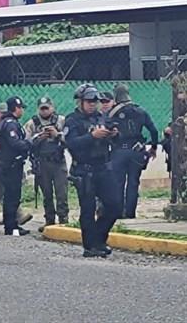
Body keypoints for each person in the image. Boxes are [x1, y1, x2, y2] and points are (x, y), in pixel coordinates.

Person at [64, 84, 122, 257]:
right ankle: (90, 246)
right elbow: (71, 143)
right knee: (88, 209)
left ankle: (99, 238)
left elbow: (115, 137)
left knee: (115, 205)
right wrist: (91, 136)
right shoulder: (72, 120)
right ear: (80, 102)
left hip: (103, 167)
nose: (92, 104)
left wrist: (113, 134)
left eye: (95, 101)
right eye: (89, 101)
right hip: (85, 169)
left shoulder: (101, 118)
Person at [109, 84, 159, 219]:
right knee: (133, 183)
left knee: (118, 183)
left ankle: (118, 214)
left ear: (116, 96)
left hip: (119, 152)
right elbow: (153, 131)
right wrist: (153, 147)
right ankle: (130, 214)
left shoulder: (113, 113)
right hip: (137, 151)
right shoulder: (140, 111)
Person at [23, 97, 69, 232]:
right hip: (42, 163)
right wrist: (38, 137)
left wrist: (57, 135)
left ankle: (63, 220)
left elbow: (70, 140)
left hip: (58, 162)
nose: (44, 111)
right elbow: (26, 142)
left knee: (62, 193)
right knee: (46, 194)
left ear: (52, 107)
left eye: (47, 108)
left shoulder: (61, 121)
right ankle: (49, 220)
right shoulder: (32, 123)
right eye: (42, 108)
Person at [0, 96, 32, 236]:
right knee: (12, 196)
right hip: (11, 165)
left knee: (12, 196)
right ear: (16, 108)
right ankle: (11, 226)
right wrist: (30, 143)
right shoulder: (10, 123)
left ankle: (11, 225)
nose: (22, 110)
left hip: (12, 164)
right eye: (21, 108)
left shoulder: (10, 122)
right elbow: (15, 143)